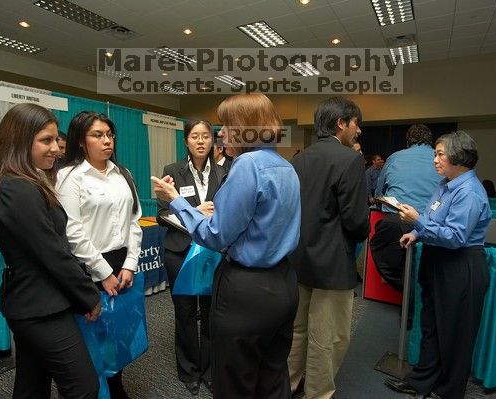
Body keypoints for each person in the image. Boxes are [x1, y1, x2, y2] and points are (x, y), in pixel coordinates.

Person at [152, 93, 300, 399]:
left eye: (227, 126)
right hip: (284, 285)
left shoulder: (247, 165)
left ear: (246, 128)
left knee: (234, 383)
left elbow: (215, 235)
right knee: (272, 378)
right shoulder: (286, 166)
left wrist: (176, 200)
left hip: (246, 291)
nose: (221, 134)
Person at [0, 103, 101, 399]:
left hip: (34, 302)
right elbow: (53, 253)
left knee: (32, 387)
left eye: (55, 141)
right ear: (20, 141)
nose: (56, 149)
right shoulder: (14, 188)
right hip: (39, 307)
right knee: (84, 387)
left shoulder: (18, 182)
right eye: (45, 141)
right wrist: (89, 295)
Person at [385, 131, 491, 399]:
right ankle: (422, 381)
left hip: (460, 264)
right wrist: (417, 233)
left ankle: (448, 391)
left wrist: (417, 221)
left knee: (456, 335)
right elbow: (436, 220)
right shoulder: (446, 185)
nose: (435, 159)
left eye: (440, 154)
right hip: (439, 259)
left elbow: (455, 236)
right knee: (432, 326)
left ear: (458, 156)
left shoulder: (469, 192)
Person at [56, 111, 143, 399]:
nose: (107, 141)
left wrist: (130, 264)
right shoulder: (70, 177)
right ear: (81, 141)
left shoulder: (123, 174)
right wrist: (103, 273)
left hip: (122, 264)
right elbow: (73, 231)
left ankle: (117, 388)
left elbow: (134, 221)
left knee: (117, 335)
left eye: (109, 134)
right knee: (91, 340)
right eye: (98, 135)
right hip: (88, 268)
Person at [287, 97, 370, 399]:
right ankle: (318, 393)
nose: (358, 131)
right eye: (355, 124)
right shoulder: (350, 160)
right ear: (341, 123)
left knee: (297, 330)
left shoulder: (299, 159)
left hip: (298, 261)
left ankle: (290, 382)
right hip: (332, 266)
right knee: (328, 337)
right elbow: (357, 221)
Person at [157, 120, 226, 395]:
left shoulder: (225, 172)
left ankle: (209, 370)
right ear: (186, 141)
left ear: (213, 141)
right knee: (185, 313)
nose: (200, 141)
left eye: (205, 136)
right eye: (194, 136)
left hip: (212, 253)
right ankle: (188, 371)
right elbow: (163, 215)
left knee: (211, 313)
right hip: (180, 252)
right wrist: (194, 211)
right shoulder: (172, 171)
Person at [371, 124, 440, 291]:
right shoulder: (440, 159)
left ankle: (404, 289)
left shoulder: (395, 157)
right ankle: (416, 292)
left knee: (382, 249)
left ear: (408, 141)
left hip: (395, 223)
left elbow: (379, 193)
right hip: (431, 224)